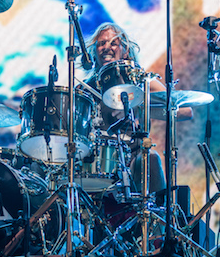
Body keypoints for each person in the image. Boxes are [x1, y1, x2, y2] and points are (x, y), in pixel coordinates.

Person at [80, 22, 192, 195]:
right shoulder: (85, 88)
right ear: (94, 51)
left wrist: (138, 107)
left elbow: (185, 111)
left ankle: (158, 211)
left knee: (150, 158)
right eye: (101, 43)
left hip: (132, 157)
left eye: (113, 43)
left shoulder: (141, 81)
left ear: (125, 50)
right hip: (96, 160)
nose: (106, 47)